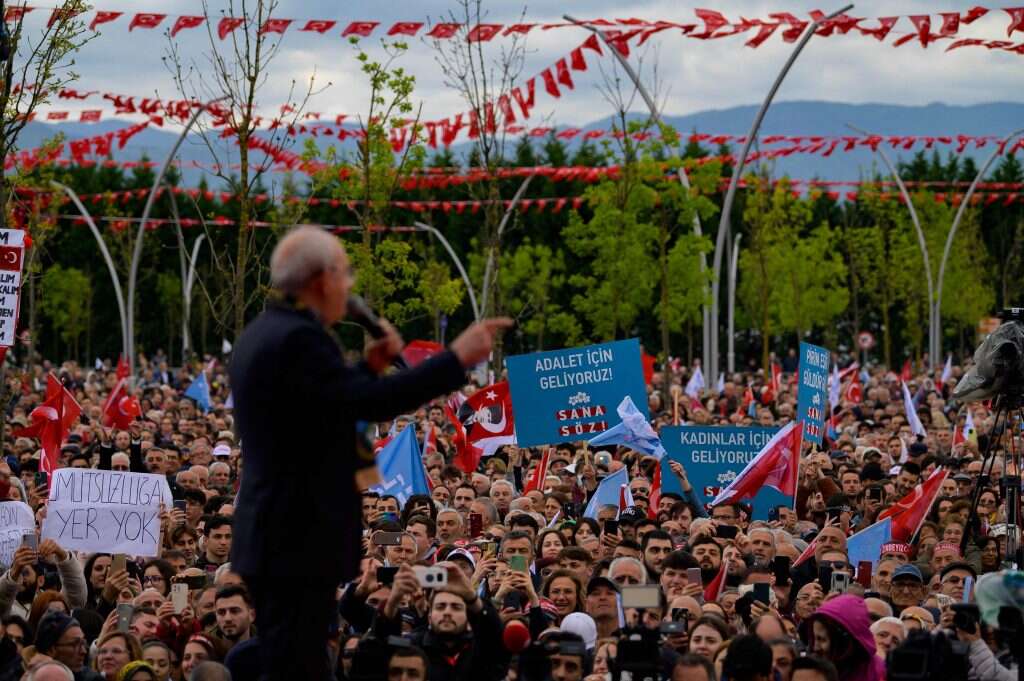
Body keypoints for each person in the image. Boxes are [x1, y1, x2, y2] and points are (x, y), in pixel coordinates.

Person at [229, 226, 511, 680]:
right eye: (346, 275)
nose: (350, 288)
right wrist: (456, 359)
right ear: (322, 279)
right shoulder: (300, 339)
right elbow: (366, 405)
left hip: (277, 535)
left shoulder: (265, 332)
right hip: (296, 537)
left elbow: (324, 409)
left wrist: (371, 365)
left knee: (293, 660)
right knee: (295, 666)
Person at [800, 595, 885, 681]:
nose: (815, 647)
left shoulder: (879, 673)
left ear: (844, 641)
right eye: (814, 638)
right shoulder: (808, 672)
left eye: (821, 639)